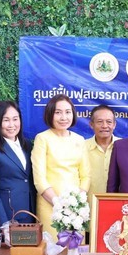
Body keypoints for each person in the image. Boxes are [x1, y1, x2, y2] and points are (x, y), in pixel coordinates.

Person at [31, 95, 90, 239]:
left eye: (68, 112)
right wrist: (58, 204)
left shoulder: (79, 140)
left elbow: (86, 176)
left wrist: (76, 203)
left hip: (75, 209)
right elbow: (39, 179)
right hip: (50, 206)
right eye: (58, 112)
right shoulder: (42, 138)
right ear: (50, 114)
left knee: (75, 248)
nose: (64, 117)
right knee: (52, 247)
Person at [0, 101, 35, 228]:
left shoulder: (27, 145)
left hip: (31, 212)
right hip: (9, 215)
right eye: (6, 120)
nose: (12, 125)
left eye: (15, 119)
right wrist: (4, 223)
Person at [86, 105, 119, 203]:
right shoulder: (82, 147)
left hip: (118, 205)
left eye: (109, 122)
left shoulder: (124, 147)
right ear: (91, 124)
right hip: (88, 206)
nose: (104, 126)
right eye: (100, 122)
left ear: (114, 124)